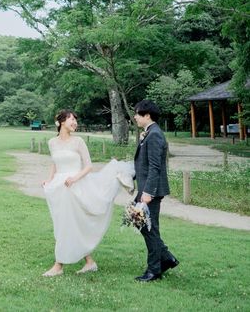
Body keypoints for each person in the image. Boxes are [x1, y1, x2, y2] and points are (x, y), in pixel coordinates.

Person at [42, 110, 134, 277]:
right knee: (66, 224)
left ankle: (58, 266)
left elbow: (89, 166)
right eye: (71, 119)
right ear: (61, 122)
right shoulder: (52, 143)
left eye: (76, 120)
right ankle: (89, 262)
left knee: (68, 224)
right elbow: (54, 163)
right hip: (60, 187)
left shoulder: (78, 141)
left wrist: (74, 178)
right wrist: (49, 180)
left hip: (76, 185)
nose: (75, 122)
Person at [133, 100, 179, 282]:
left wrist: (148, 193)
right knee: (139, 222)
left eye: (137, 114)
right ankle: (166, 258)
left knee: (150, 228)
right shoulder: (149, 133)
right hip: (145, 187)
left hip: (150, 191)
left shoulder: (154, 135)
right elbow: (143, 164)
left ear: (147, 115)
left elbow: (155, 167)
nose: (135, 117)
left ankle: (154, 270)